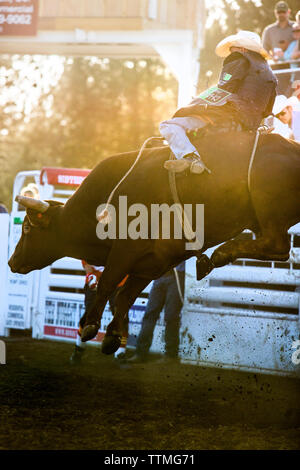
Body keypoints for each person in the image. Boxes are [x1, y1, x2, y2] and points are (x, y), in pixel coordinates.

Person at [162, 30, 277, 174]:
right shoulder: (270, 74)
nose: (230, 52)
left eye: (232, 48)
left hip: (228, 114)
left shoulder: (238, 58)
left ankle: (190, 157)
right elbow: (268, 110)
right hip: (251, 124)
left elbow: (223, 88)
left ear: (242, 48)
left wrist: (196, 102)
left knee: (168, 125)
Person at [70, 262, 128, 364]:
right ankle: (78, 349)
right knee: (89, 315)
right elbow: (85, 248)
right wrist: (86, 264)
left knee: (121, 316)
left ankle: (120, 354)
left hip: (118, 278)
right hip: (96, 277)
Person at [128, 262, 185, 364]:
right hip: (160, 275)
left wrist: (183, 246)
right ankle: (140, 353)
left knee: (171, 316)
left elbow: (197, 245)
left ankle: (171, 355)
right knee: (150, 314)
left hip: (176, 275)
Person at [262, 1, 295, 94]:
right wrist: (272, 57)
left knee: (294, 94)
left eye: (283, 12)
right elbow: (264, 50)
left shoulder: (296, 27)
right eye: (279, 12)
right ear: (275, 13)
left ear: (288, 12)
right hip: (276, 68)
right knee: (279, 94)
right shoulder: (269, 30)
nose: (281, 14)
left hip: (294, 66)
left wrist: (288, 48)